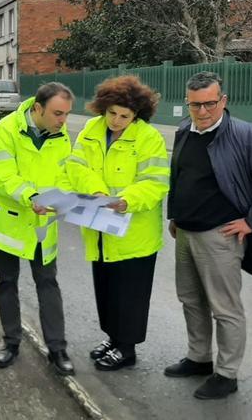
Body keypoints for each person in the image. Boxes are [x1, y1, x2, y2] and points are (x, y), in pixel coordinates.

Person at [166, 71, 252, 399]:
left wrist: (251, 222)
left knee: (224, 308)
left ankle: (227, 373)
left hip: (219, 236)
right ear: (187, 103)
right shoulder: (184, 131)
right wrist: (176, 215)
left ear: (223, 100)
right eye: (195, 105)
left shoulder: (248, 135)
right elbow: (179, 177)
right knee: (191, 300)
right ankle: (199, 358)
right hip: (186, 232)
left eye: (210, 103)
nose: (203, 112)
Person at [66, 76, 169, 371]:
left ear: (136, 115)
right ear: (103, 107)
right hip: (99, 226)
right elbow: (76, 164)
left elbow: (156, 183)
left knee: (131, 294)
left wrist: (125, 200)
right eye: (112, 113)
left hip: (133, 233)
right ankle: (113, 338)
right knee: (107, 288)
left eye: (125, 116)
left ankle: (127, 348)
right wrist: (97, 190)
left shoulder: (149, 138)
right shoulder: (91, 129)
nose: (116, 120)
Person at [0, 82, 75, 376]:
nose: (63, 121)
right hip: (9, 221)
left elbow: (67, 175)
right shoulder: (4, 131)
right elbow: (1, 174)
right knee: (7, 282)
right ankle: (11, 342)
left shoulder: (61, 137)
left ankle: (57, 349)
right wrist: (30, 197)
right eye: (58, 113)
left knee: (48, 282)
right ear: (37, 109)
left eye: (67, 114)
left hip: (42, 225)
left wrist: (68, 198)